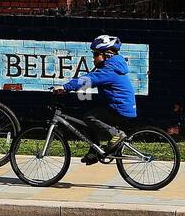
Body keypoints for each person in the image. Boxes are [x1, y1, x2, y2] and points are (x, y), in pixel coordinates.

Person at [53, 34, 136, 164]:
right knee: (89, 119)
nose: (93, 58)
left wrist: (66, 87)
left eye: (96, 54)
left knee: (90, 117)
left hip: (119, 108)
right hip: (118, 106)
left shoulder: (109, 70)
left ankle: (116, 135)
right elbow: (89, 77)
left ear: (107, 55)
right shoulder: (112, 66)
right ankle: (95, 151)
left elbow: (88, 80)